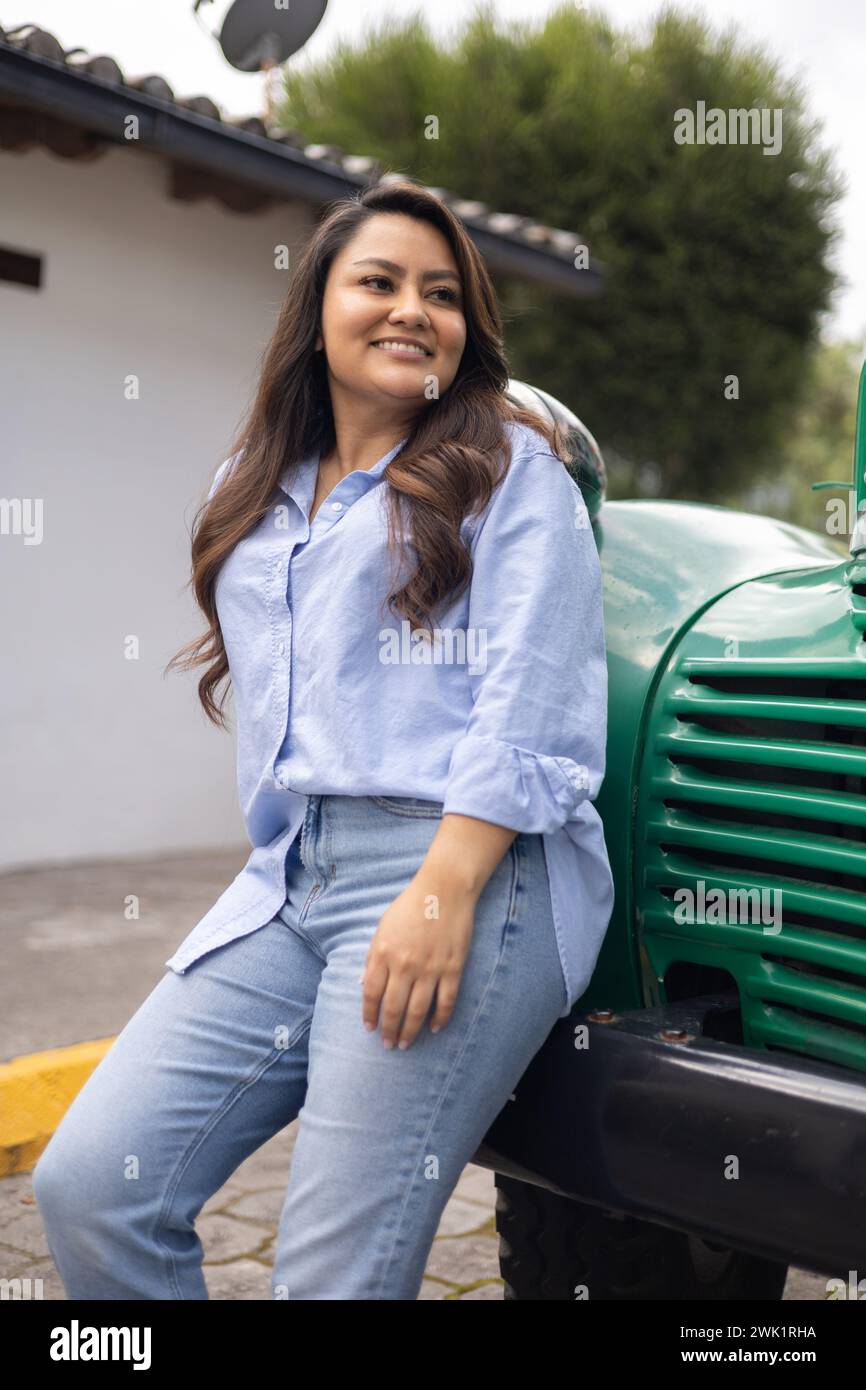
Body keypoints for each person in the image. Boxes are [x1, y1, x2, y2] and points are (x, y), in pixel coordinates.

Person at [33, 177, 614, 1300]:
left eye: (441, 294)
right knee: (95, 1185)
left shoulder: (510, 464)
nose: (412, 308)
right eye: (379, 281)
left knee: (328, 1280)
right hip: (291, 879)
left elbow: (533, 704)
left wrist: (442, 889)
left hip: (468, 865)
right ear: (316, 313)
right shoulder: (255, 488)